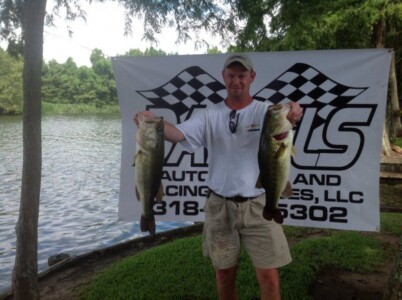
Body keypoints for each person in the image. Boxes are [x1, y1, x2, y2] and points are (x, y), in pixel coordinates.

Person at [134, 53, 303, 300]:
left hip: (258, 203)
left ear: (252, 77)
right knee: (224, 275)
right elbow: (178, 134)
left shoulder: (265, 111)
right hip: (219, 206)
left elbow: (289, 112)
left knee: (269, 276)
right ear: (223, 77)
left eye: (242, 75)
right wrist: (152, 123)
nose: (236, 81)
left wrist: (294, 110)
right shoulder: (209, 114)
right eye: (231, 75)